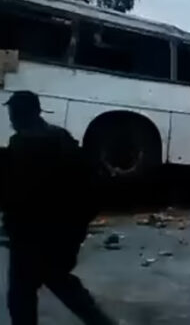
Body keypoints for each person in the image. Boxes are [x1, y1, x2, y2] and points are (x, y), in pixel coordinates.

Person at [1, 91, 115, 325]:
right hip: (61, 234)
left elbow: (12, 194)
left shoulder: (20, 145)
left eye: (14, 114)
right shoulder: (62, 138)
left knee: (22, 295)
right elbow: (89, 186)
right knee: (58, 281)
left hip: (29, 234)